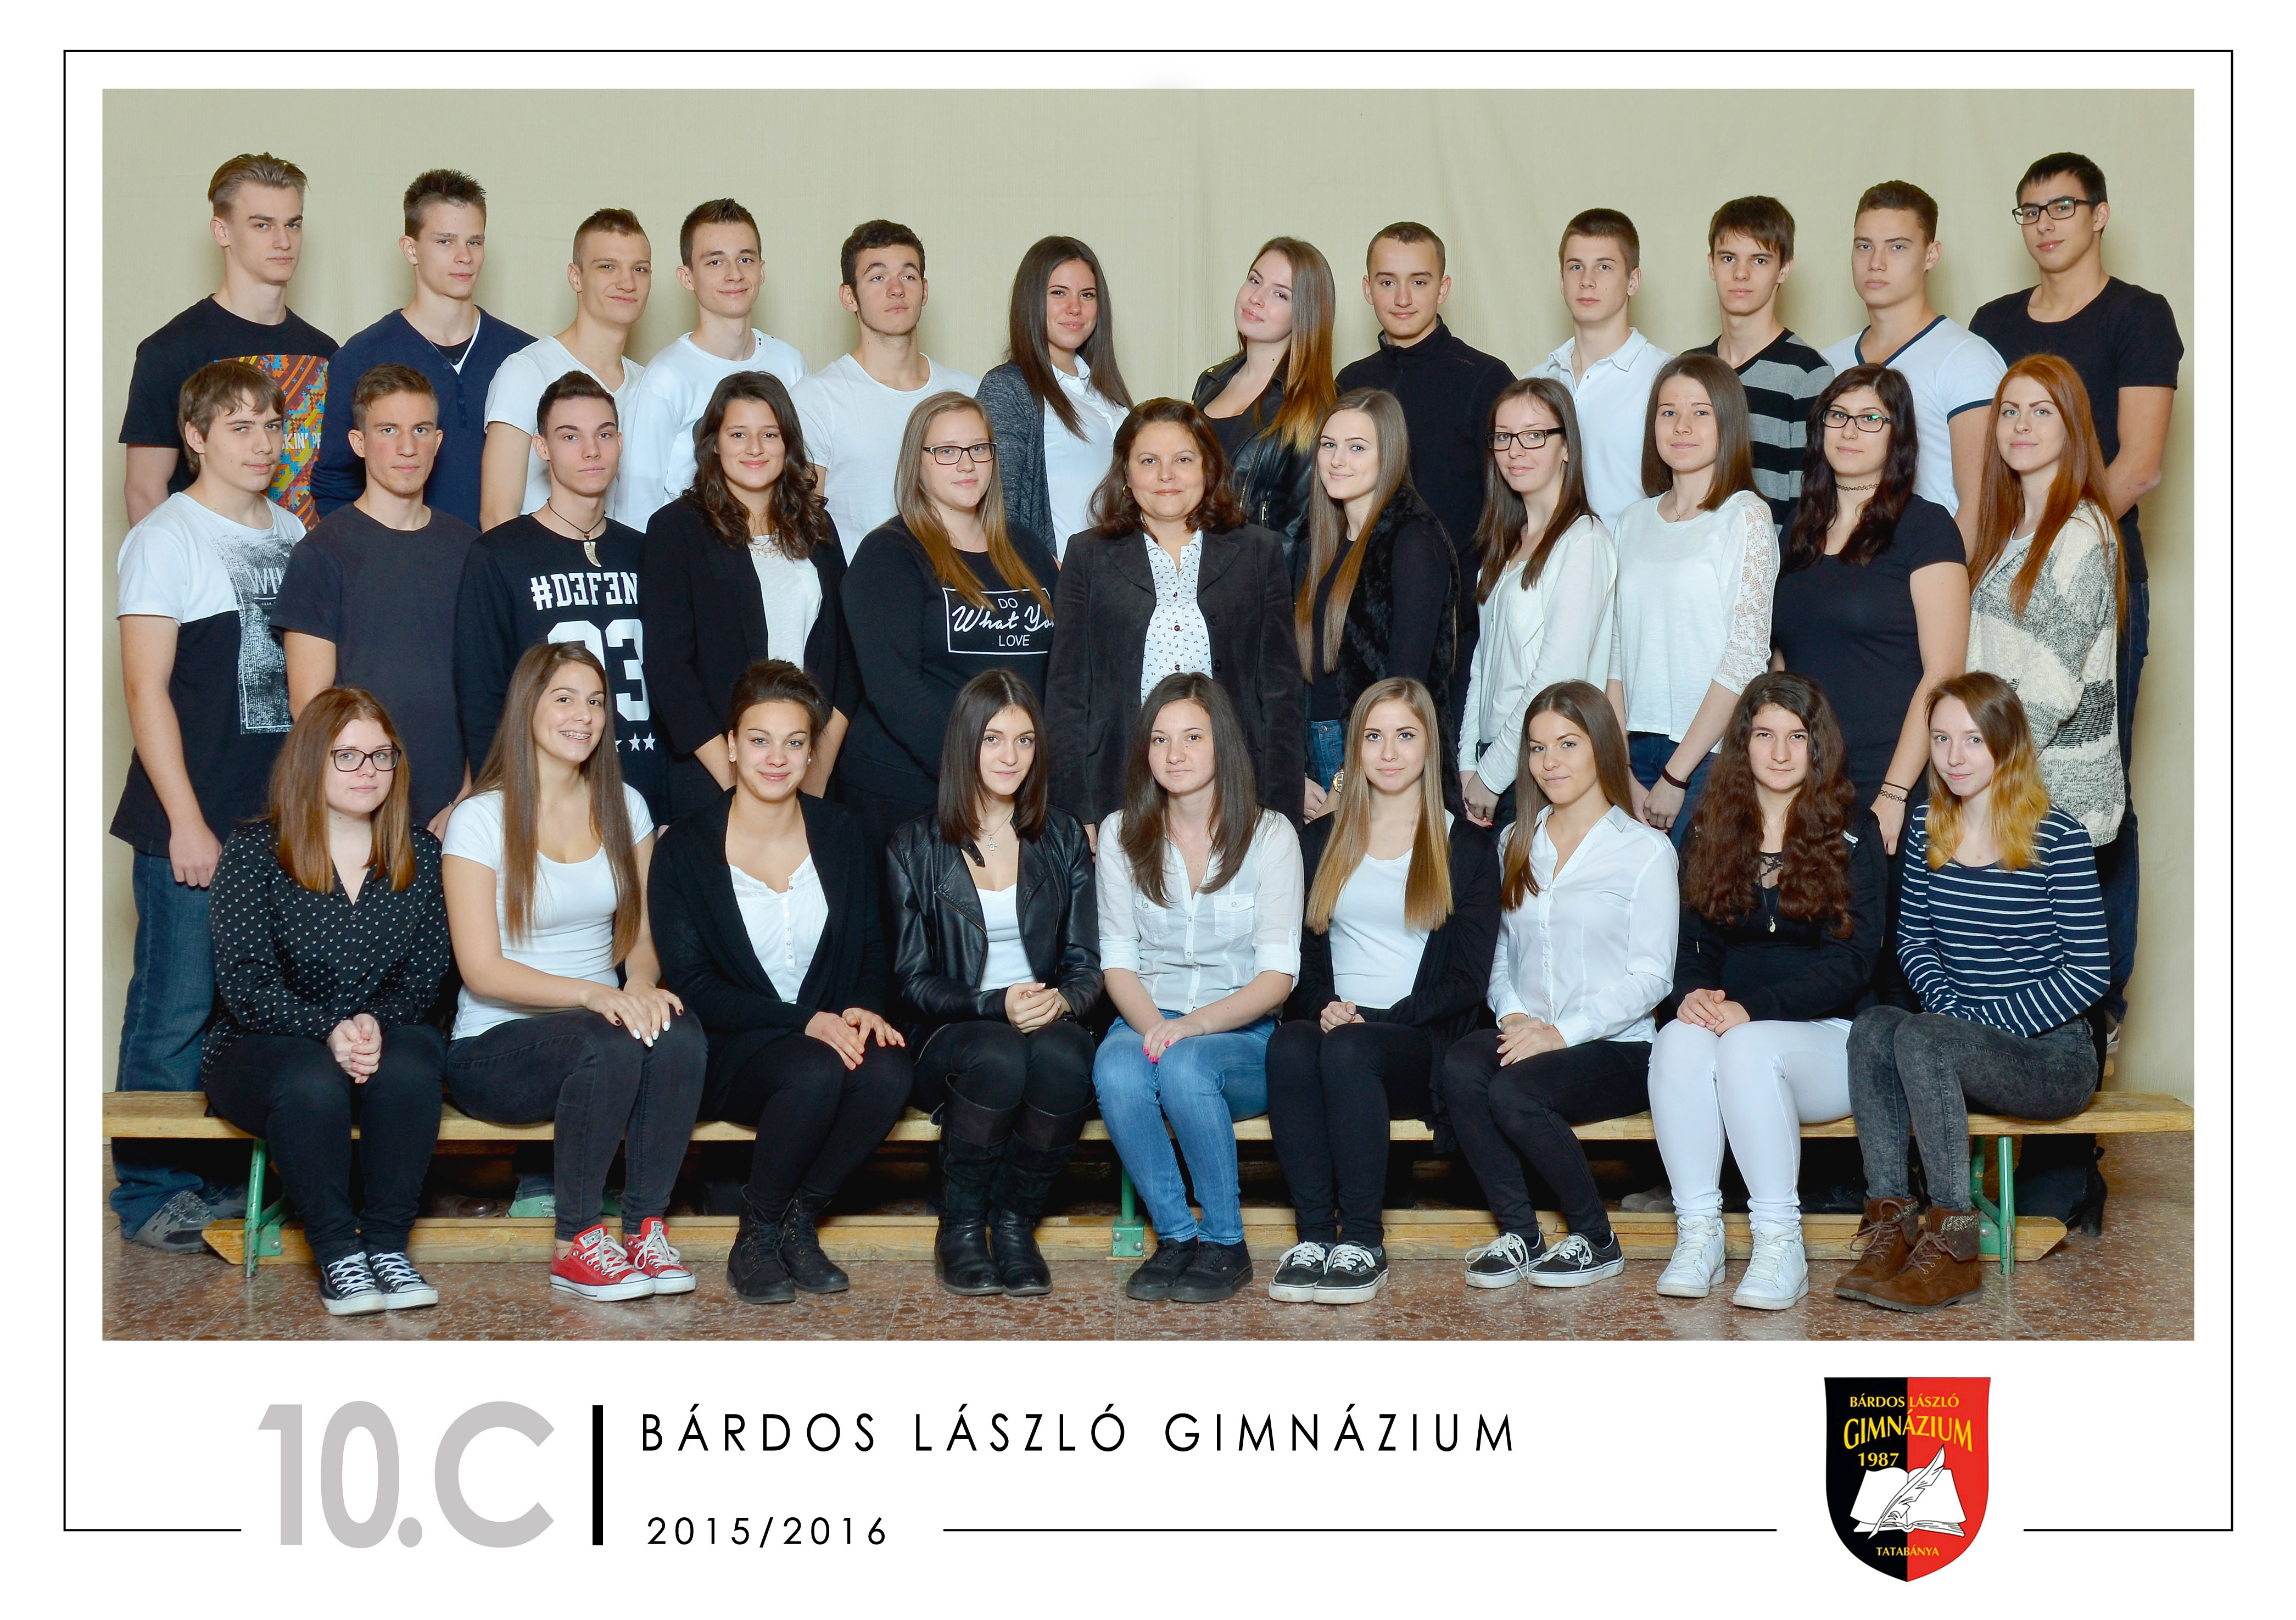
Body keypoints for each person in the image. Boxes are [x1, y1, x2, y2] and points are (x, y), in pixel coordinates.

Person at [1970, 149, 2181, 1063]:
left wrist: (2056, 540)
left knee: (2093, 788)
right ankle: (2004, 999)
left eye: (2062, 206)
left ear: (2099, 214)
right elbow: (1985, 456)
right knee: (2001, 792)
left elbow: (2140, 462)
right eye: (2030, 210)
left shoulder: (2138, 316)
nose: (2045, 223)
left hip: (2088, 576)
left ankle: (2099, 1004)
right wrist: (1999, 552)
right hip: (2003, 563)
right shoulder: (1993, 323)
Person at [441, 641, 707, 1301]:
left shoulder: (625, 805)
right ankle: (576, 1243)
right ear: (527, 707)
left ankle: (643, 1228)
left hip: (603, 1028)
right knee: (605, 1043)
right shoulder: (480, 818)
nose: (582, 715)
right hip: (495, 1049)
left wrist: (639, 983)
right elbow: (481, 969)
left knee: (680, 1032)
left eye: (594, 701)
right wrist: (594, 994)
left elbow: (641, 933)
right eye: (564, 698)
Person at [110, 360, 302, 1253]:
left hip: (271, 826)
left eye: (272, 425)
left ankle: (218, 1177)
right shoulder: (165, 538)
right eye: (240, 427)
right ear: (194, 437)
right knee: (174, 1009)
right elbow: (144, 689)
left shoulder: (294, 532)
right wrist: (187, 821)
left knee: (245, 1013)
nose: (263, 444)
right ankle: (150, 1192)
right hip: (190, 821)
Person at [1841, 673, 2107, 1313]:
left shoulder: (2058, 837)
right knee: (1873, 1026)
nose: (1953, 756)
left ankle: (1954, 1247)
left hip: (2050, 1056)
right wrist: (1950, 1014)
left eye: (1972, 739)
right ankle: (1890, 1224)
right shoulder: (1927, 828)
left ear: (2005, 744)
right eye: (1940, 739)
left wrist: (1974, 1025)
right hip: (1952, 1040)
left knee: (1926, 1037)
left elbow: (2088, 973)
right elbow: (1912, 942)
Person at [649, 660, 911, 1305]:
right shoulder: (685, 848)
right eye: (759, 740)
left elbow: (873, 946)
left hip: (824, 1031)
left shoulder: (843, 832)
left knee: (888, 1071)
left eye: (794, 742)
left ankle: (798, 1220)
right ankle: (757, 1231)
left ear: (811, 751)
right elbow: (694, 984)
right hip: (735, 1047)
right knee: (814, 1070)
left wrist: (863, 1007)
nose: (776, 757)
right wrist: (806, 1022)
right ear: (731, 745)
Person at [202, 688, 452, 1315]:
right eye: (347, 755)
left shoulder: (420, 853)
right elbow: (246, 984)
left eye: (381, 755)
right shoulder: (255, 851)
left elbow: (425, 978)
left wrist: (370, 1023)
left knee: (415, 1060)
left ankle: (387, 1249)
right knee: (311, 1077)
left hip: (378, 1035)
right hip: (263, 1045)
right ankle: (339, 1255)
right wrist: (328, 1028)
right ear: (311, 760)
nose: (368, 770)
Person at [1645, 675, 1885, 1310]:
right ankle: (1698, 1234)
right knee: (1674, 1041)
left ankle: (1780, 1243)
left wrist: (1749, 1012)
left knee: (1745, 1047)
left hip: (1830, 1041)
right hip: (1734, 1032)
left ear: (1817, 745)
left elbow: (1854, 963)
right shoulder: (1709, 828)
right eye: (1763, 735)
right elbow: (1693, 945)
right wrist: (1693, 995)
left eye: (1796, 737)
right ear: (1742, 743)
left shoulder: (1853, 831)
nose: (1779, 752)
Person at [1265, 678, 1499, 1304]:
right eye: (1373, 737)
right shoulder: (1320, 841)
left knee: (1349, 1050)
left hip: (1417, 1040)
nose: (1388, 752)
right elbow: (1300, 957)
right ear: (1354, 749)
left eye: (1404, 735)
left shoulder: (1464, 847)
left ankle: (1364, 1242)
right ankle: (1315, 1238)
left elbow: (1467, 981)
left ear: (1429, 746)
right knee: (1288, 1046)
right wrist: (1322, 1007)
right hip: (1337, 1027)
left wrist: (1375, 1019)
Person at [1440, 680, 1675, 1288]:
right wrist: (1514, 1015)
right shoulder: (1514, 841)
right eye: (1538, 747)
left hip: (1617, 1047)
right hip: (1530, 1034)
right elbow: (1498, 952)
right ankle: (1521, 1234)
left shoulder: (1645, 851)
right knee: (1460, 1068)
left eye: (1567, 744)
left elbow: (1652, 976)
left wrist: (1560, 1033)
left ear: (1600, 746)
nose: (1550, 762)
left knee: (1514, 1092)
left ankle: (1596, 1239)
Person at [886, 672, 1102, 1295]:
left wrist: (1061, 1001)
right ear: (965, 744)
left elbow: (1086, 963)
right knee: (1000, 1054)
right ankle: (959, 1229)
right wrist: (993, 1004)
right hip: (950, 1032)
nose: (1010, 757)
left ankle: (1013, 1226)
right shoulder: (912, 844)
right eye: (993, 739)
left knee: (1064, 1058)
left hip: (1044, 1020)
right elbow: (911, 981)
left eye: (1024, 740)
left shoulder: (1062, 836)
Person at [1096, 672, 1303, 1304]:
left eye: (1192, 737)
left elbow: (1277, 977)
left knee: (1185, 1065)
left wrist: (1193, 1026)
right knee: (1116, 1068)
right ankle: (1176, 1237)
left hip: (1239, 1032)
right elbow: (1118, 964)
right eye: (1159, 739)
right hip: (1149, 1011)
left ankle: (1223, 1241)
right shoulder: (1120, 833)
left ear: (1222, 745)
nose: (1174, 754)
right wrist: (1157, 1028)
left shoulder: (1270, 835)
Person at [1044, 398, 1303, 834]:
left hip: (1235, 785)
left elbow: (1281, 691)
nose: (1166, 475)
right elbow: (1067, 693)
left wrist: (1280, 810)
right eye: (1149, 461)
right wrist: (1076, 813)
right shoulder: (1088, 555)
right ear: (1126, 474)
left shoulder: (1258, 552)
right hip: (1118, 784)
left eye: (1183, 460)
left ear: (1208, 469)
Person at [1965, 356, 2129, 1002]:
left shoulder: (2081, 532)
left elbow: (2051, 681)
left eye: (2041, 412)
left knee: (2047, 993)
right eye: (2009, 411)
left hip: (2050, 795)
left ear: (2071, 427)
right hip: (2001, 781)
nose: (2021, 426)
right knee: (1998, 984)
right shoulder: (2007, 530)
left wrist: (1977, 771)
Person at [838, 393, 1057, 854]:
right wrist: (975, 774)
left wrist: (1018, 770)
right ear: (916, 462)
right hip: (912, 792)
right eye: (946, 451)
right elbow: (894, 689)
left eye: (979, 448)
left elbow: (1058, 672)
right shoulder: (889, 554)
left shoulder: (1027, 549)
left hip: (1013, 784)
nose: (966, 464)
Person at [641, 371, 858, 819]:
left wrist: (815, 774)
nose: (755, 448)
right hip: (714, 779)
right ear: (714, 444)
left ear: (788, 443)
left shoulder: (818, 528)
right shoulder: (676, 530)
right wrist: (739, 784)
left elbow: (847, 661)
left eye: (769, 434)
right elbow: (669, 671)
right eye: (738, 434)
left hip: (809, 772)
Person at [1770, 365, 1969, 852]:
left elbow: (1944, 672)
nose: (1849, 430)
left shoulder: (1925, 527)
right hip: (1805, 779)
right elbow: (1781, 661)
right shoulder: (1797, 527)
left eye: (1870, 419)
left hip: (1890, 779)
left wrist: (1894, 793)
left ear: (1896, 435)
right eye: (1837, 415)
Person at [455, 371, 667, 829]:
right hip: (544, 796)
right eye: (570, 436)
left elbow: (672, 680)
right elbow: (482, 696)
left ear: (620, 443)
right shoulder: (499, 555)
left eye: (604, 434)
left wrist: (672, 800)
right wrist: (504, 799)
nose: (591, 451)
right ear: (542, 448)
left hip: (645, 788)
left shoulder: (647, 552)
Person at [277, 363, 479, 839]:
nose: (408, 447)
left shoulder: (472, 550)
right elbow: (311, 706)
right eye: (388, 430)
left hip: (458, 812)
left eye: (421, 430)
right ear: (359, 442)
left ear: (438, 441)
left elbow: (488, 688)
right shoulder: (321, 553)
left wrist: (471, 797)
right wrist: (364, 809)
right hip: (359, 814)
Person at [1609, 353, 1779, 847]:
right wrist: (1619, 766)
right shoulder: (1632, 521)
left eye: (1700, 412)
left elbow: (1745, 658)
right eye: (1668, 412)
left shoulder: (1744, 516)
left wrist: (1676, 774)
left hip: (1707, 758)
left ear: (1727, 422)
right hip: (1631, 752)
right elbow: (1616, 649)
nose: (1681, 426)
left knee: (1698, 893)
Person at [120, 153, 336, 527]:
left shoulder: (326, 353)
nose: (283, 241)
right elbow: (144, 488)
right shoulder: (170, 351)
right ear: (222, 232)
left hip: (311, 560)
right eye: (262, 225)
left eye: (293, 224)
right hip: (210, 559)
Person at [310, 169, 534, 528]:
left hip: (503, 558)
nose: (464, 257)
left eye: (475, 242)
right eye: (445, 241)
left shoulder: (524, 356)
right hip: (401, 560)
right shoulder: (361, 358)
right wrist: (374, 555)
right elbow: (335, 484)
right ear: (411, 249)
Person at [1457, 377, 1616, 832]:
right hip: (1494, 761)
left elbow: (1555, 674)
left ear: (1566, 447)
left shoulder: (1582, 541)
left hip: (1544, 767)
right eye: (1503, 437)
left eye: (1533, 435)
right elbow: (1483, 665)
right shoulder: (1507, 542)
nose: (1515, 451)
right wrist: (1468, 763)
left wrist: (1491, 776)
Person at [1295, 389, 1460, 820]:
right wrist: (1295, 770)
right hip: (1317, 750)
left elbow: (1405, 685)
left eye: (1356, 448)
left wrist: (1345, 780)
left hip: (1381, 757)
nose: (1337, 460)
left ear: (1389, 455)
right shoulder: (1320, 541)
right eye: (1328, 445)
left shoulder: (1413, 540)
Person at [1334, 222, 1516, 609]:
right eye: (1387, 283)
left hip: (1457, 610)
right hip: (1358, 607)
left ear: (1443, 289)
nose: (1402, 298)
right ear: (1367, 289)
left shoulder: (1485, 379)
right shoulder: (1350, 382)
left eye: (1418, 282)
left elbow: (1516, 500)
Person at [1819, 182, 2005, 541]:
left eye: (1897, 247)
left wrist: (1939, 575)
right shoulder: (1828, 363)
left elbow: (1984, 506)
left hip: (1932, 567)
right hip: (1842, 568)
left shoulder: (1966, 359)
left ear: (1931, 255)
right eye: (1864, 246)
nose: (1876, 263)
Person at [616, 199, 808, 527]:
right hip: (694, 551)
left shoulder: (790, 363)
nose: (734, 274)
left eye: (745, 259)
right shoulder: (665, 378)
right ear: (687, 277)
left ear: (762, 271)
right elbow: (636, 510)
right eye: (715, 262)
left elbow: (801, 475)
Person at [793, 221, 980, 555]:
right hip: (862, 584)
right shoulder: (815, 399)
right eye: (877, 277)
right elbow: (802, 529)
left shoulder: (968, 393)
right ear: (849, 296)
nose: (896, 290)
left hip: (959, 585)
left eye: (908, 276)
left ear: (924, 290)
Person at [479, 209, 652, 530]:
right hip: (540, 560)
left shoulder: (649, 384)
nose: (628, 283)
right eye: (607, 267)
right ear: (576, 277)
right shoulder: (526, 372)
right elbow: (496, 515)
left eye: (639, 269)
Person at [974, 236, 1133, 562]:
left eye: (1087, 295)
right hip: (1056, 581)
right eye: (1059, 293)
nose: (1075, 308)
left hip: (1119, 579)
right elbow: (998, 510)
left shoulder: (1106, 393)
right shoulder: (1008, 388)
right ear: (1032, 300)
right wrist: (1044, 573)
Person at [1687, 196, 1834, 532]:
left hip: (1773, 560)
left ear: (1784, 269)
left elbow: (1811, 505)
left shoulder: (1809, 375)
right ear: (1711, 265)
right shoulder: (1689, 369)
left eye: (1759, 260)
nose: (1741, 274)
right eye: (1728, 258)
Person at [1191, 237, 1338, 563]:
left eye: (1280, 294)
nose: (1255, 298)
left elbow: (1299, 535)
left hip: (1254, 583)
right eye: (1255, 280)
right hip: (1187, 576)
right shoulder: (1209, 383)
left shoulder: (1315, 408)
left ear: (1306, 314)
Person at [1527, 209, 1672, 534]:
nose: (1587, 281)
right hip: (1548, 562)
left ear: (1633, 281)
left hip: (1634, 563)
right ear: (1562, 281)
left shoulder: (1666, 379)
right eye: (1576, 266)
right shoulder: (1536, 382)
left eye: (1604, 267)